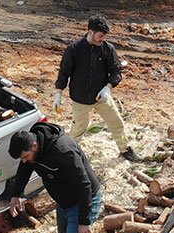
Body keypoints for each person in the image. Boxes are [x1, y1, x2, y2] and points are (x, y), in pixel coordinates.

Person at [55, 16, 138, 162]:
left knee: (117, 122)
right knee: (78, 128)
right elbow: (64, 72)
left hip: (101, 97)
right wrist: (58, 94)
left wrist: (108, 88)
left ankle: (125, 150)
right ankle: (69, 153)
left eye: (104, 36)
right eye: (100, 36)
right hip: (80, 98)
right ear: (90, 32)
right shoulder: (74, 49)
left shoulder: (107, 49)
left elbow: (116, 71)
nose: (102, 39)